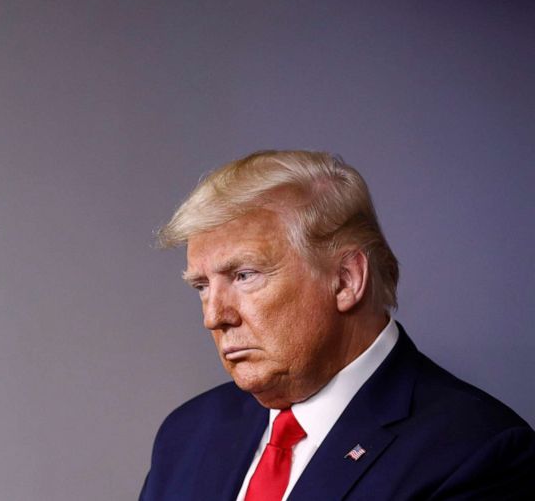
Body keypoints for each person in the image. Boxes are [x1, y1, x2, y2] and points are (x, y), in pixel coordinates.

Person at [139, 150, 535, 501]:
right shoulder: (186, 433)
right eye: (202, 286)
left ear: (346, 280)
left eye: (244, 275)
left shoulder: (478, 451)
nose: (214, 316)